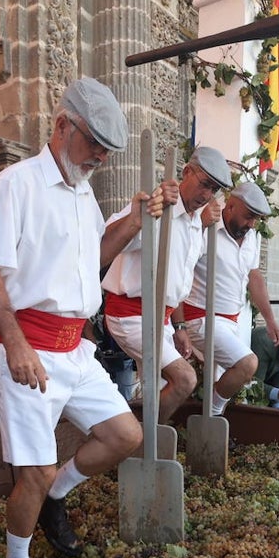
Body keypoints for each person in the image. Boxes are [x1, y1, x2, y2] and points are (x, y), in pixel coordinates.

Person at [0, 77, 165, 558]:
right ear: (61, 126)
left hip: (74, 349)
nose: (100, 156)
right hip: (27, 346)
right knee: (32, 471)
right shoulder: (17, 184)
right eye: (94, 143)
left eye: (106, 148)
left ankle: (59, 493)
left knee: (125, 435)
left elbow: (91, 261)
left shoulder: (84, 196)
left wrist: (135, 221)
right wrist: (13, 343)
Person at [101, 146, 225, 421]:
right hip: (131, 314)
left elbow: (175, 282)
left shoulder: (195, 223)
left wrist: (179, 327)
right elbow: (103, 239)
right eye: (204, 184)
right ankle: (141, 442)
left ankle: (142, 444)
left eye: (214, 189)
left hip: (163, 318)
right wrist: (143, 213)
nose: (207, 195)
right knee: (184, 379)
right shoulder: (157, 206)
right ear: (186, 172)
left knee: (161, 388)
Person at [179, 181, 278, 416]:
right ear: (231, 206)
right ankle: (211, 415)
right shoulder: (206, 228)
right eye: (248, 216)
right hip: (201, 318)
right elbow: (179, 272)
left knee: (227, 377)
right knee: (247, 364)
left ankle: (204, 424)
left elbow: (255, 278)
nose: (251, 224)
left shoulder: (252, 236)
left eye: (256, 219)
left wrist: (270, 319)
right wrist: (179, 325)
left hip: (231, 321)